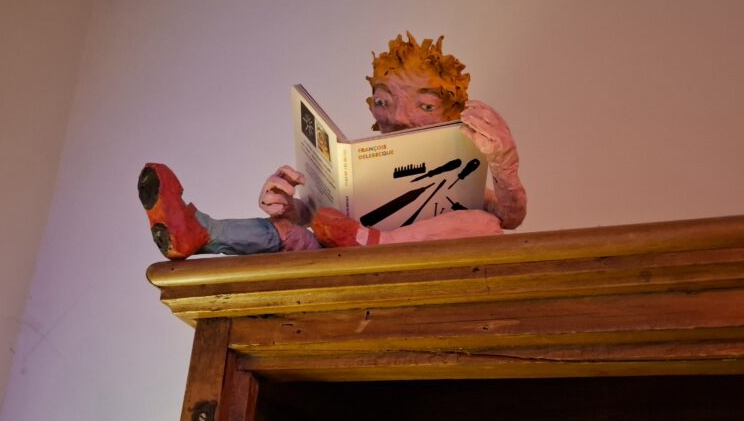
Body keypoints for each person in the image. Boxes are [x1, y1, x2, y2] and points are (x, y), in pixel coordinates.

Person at [139, 33, 526, 259]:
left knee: (484, 224)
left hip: (403, 259)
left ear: (452, 111)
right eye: (383, 101)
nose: (399, 117)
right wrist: (290, 205)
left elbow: (509, 217)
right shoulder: (365, 171)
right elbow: (324, 218)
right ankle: (202, 231)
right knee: (288, 233)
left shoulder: (460, 174)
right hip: (345, 257)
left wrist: (504, 164)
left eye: (425, 105)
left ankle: (369, 241)